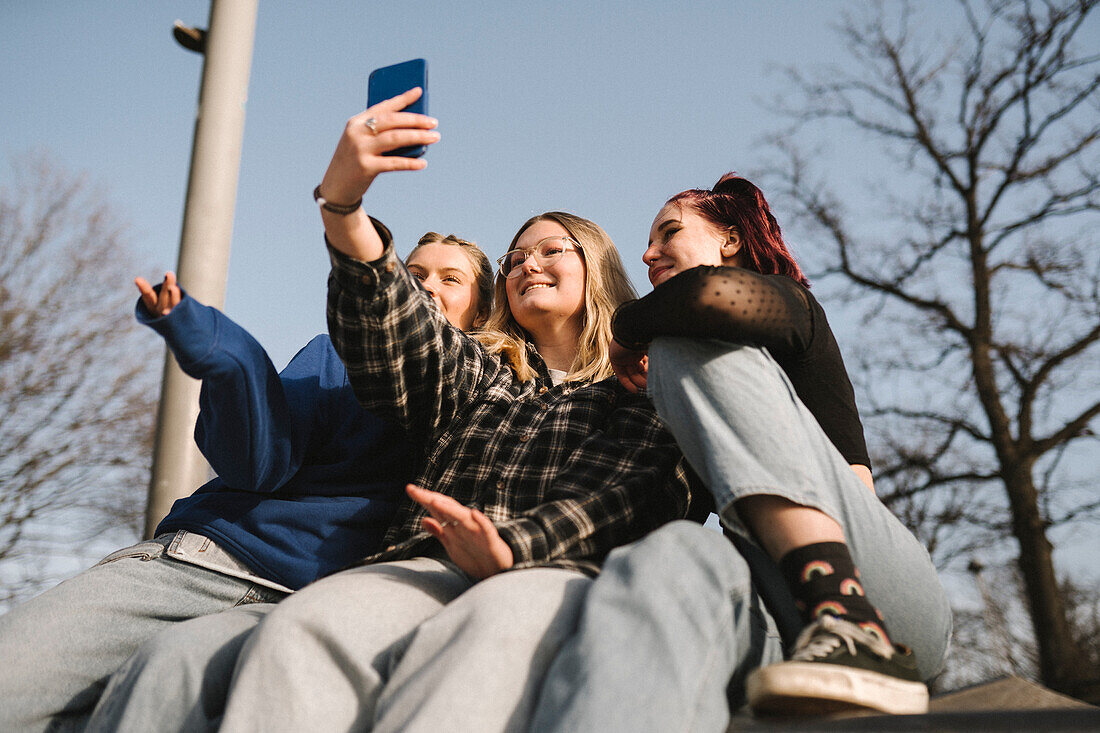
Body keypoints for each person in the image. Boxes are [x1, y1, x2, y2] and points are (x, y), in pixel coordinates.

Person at [203, 87, 702, 733]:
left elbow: (633, 489)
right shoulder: (483, 376)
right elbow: (400, 330)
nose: (528, 264)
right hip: (424, 566)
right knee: (302, 631)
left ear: (598, 264)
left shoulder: (644, 377)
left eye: (552, 250)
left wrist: (512, 549)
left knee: (474, 656)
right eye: (516, 258)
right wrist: (345, 208)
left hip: (562, 577)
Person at [0, 231, 493, 733]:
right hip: (204, 567)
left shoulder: (489, 405)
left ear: (481, 315)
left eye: (450, 278)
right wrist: (223, 351)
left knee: (156, 690)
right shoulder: (337, 360)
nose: (426, 285)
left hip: (292, 616)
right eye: (415, 274)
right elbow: (261, 461)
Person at [529, 175, 952, 730]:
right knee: (669, 556)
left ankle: (847, 618)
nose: (648, 252)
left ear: (730, 239)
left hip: (881, 592)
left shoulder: (793, 312)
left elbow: (706, 297)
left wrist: (628, 330)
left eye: (670, 232)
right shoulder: (652, 386)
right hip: (780, 619)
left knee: (685, 341)